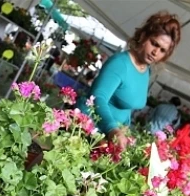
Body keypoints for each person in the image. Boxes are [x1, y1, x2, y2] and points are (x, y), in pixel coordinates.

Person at [76, 11, 181, 148]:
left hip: (110, 139)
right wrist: (112, 129)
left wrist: (125, 130)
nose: (156, 52)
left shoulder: (146, 71)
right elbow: (97, 98)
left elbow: (127, 107)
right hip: (88, 131)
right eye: (154, 43)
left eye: (162, 50)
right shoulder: (120, 63)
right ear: (143, 36)